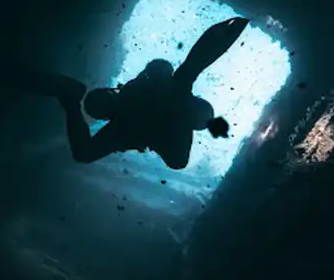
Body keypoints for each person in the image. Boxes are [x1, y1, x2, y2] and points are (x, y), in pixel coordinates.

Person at [15, 16, 249, 169]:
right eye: (103, 101)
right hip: (169, 124)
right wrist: (71, 107)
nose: (107, 100)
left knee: (181, 76)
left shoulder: (120, 125)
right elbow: (83, 153)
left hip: (169, 118)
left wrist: (71, 106)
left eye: (103, 99)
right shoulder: (119, 128)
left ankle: (232, 28)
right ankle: (232, 28)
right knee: (183, 77)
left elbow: (83, 153)